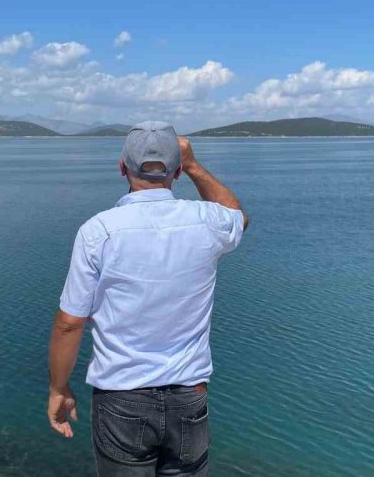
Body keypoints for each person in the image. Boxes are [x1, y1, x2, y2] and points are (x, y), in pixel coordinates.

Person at [47, 121, 249, 476]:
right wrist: (196, 166)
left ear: (122, 167)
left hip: (122, 399)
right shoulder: (207, 221)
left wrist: (58, 388)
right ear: (178, 171)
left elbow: (69, 324)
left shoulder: (99, 231)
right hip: (189, 397)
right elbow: (238, 218)